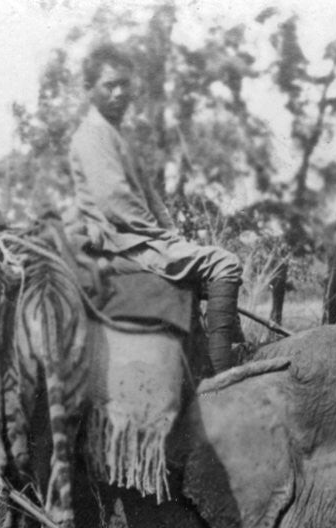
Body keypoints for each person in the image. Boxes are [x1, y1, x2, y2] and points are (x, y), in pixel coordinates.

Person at [67, 44, 247, 372]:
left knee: (201, 268)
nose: (120, 92)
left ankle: (205, 359)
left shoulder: (114, 135)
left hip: (137, 237)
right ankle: (224, 376)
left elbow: (151, 197)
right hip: (123, 243)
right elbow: (116, 202)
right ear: (89, 90)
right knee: (225, 263)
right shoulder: (92, 136)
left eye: (124, 84)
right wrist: (163, 238)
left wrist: (173, 235)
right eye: (109, 85)